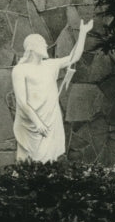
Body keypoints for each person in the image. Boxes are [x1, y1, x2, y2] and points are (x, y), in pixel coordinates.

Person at [11, 22, 89, 162]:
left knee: (50, 160)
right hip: (33, 124)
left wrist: (83, 33)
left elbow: (74, 57)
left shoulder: (50, 65)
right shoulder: (20, 70)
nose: (46, 45)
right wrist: (38, 122)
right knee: (32, 161)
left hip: (51, 119)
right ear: (33, 48)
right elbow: (22, 102)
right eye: (42, 43)